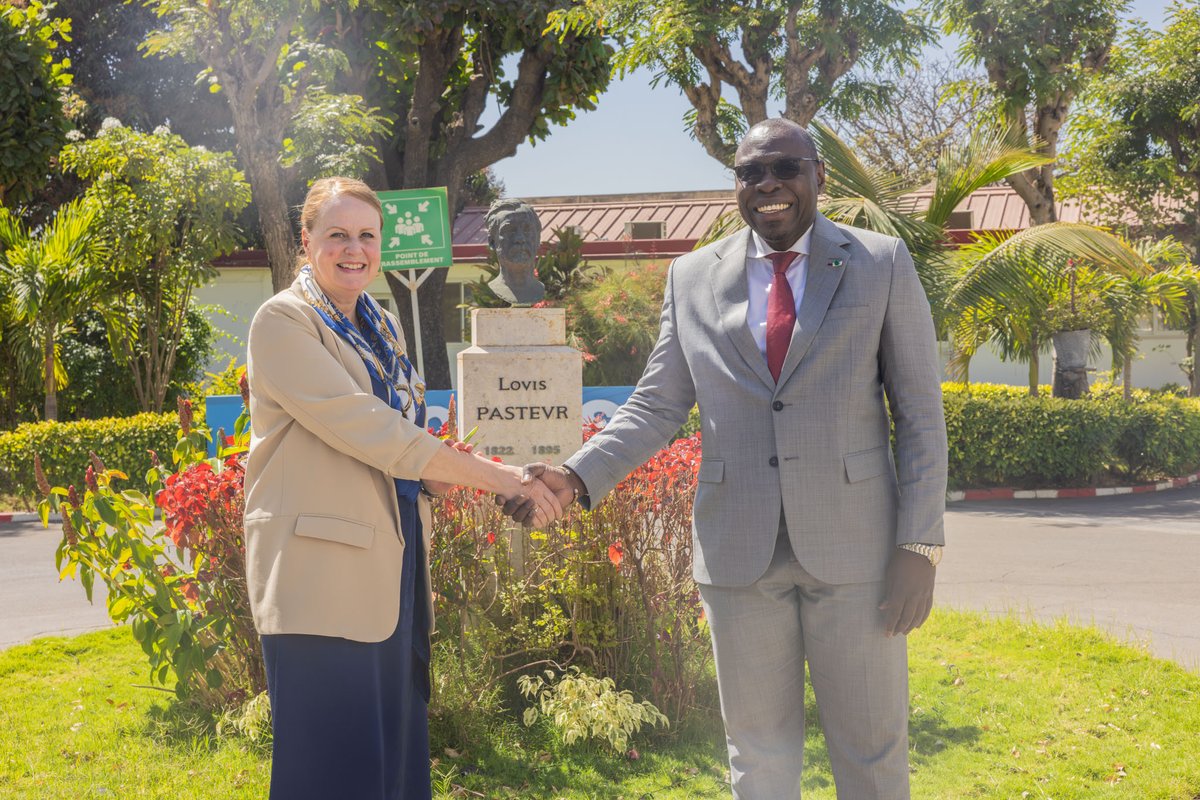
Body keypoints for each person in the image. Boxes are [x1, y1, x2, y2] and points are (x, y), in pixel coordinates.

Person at [506, 119, 948, 799]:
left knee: (871, 751)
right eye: (750, 173)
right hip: (739, 554)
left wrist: (919, 544)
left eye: (785, 167)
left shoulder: (879, 262)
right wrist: (575, 473)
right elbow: (656, 405)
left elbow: (919, 414)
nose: (768, 184)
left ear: (818, 176)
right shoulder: (691, 277)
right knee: (757, 756)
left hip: (857, 551)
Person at [243, 177, 561, 800]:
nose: (354, 249)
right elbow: (373, 431)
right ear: (306, 241)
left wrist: (484, 478)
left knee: (392, 761)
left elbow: (406, 441)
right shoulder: (283, 321)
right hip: (320, 576)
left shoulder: (381, 324)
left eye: (367, 235)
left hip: (392, 562)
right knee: (331, 771)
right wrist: (499, 478)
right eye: (337, 234)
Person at [485, 198, 545, 305]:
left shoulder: (546, 291)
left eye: (527, 230)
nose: (520, 239)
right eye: (509, 230)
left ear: (538, 239)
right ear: (492, 242)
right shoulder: (491, 290)